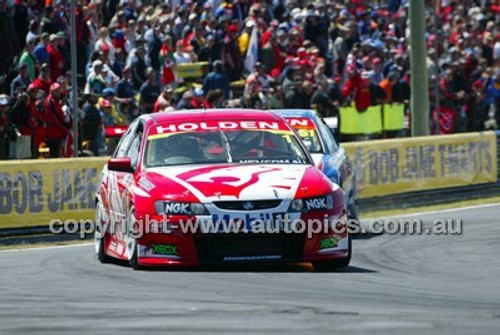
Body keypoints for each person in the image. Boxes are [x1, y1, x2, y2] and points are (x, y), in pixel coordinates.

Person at [45, 83, 68, 158]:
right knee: (54, 153)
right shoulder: (51, 101)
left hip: (58, 131)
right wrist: (63, 128)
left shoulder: (55, 100)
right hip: (53, 132)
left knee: (58, 152)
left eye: (59, 90)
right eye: (56, 91)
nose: (59, 92)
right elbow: (54, 118)